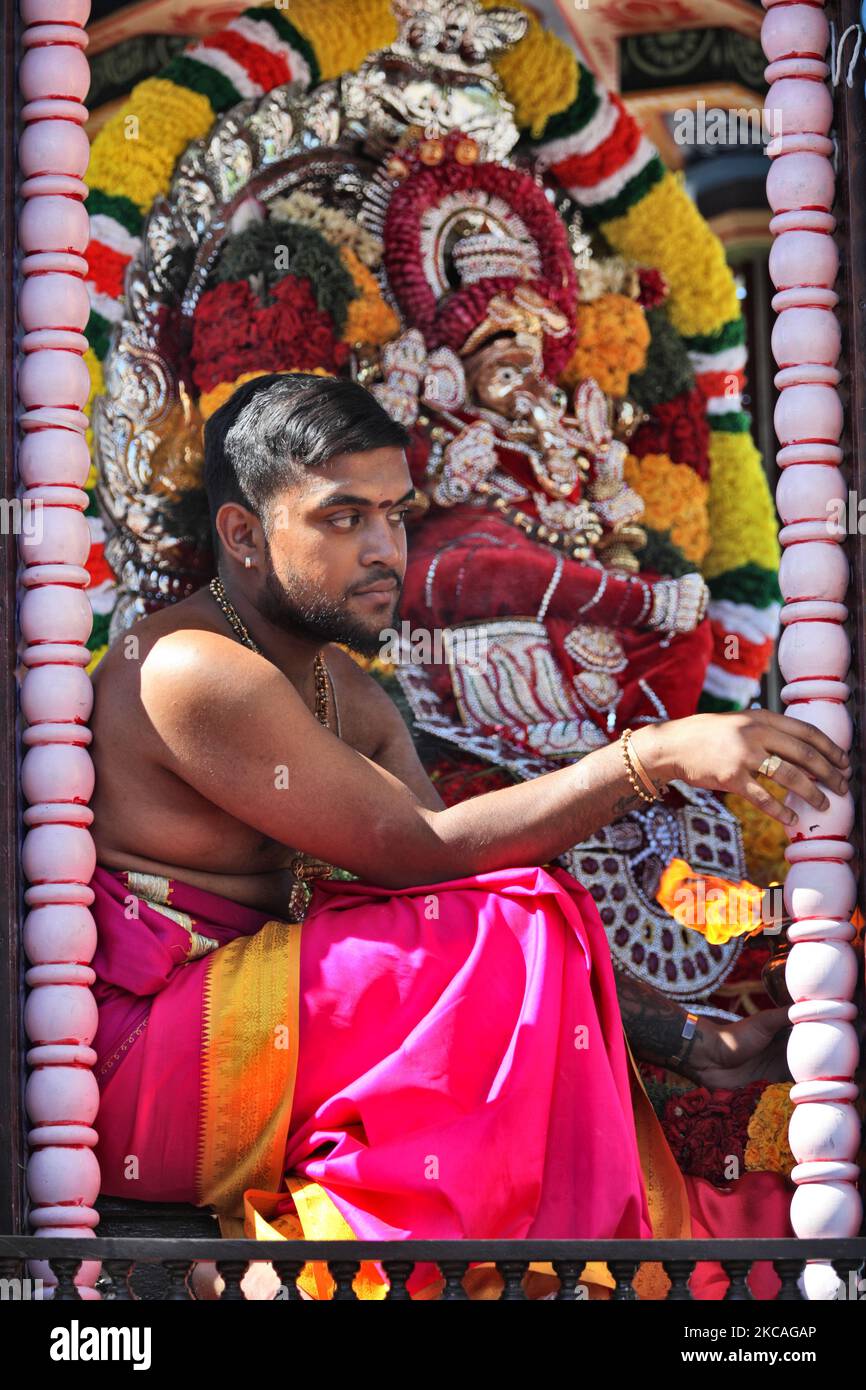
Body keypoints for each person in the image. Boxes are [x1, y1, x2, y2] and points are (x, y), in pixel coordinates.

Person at [88, 373, 849, 1297]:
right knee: (506, 920)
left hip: (264, 1049)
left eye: (395, 515)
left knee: (510, 912)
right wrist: (655, 757)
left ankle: (450, 1248)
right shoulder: (188, 668)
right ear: (244, 535)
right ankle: (332, 1259)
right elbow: (423, 848)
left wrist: (695, 1040)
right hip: (147, 1075)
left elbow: (454, 886)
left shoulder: (344, 691)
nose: (382, 549)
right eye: (342, 518)